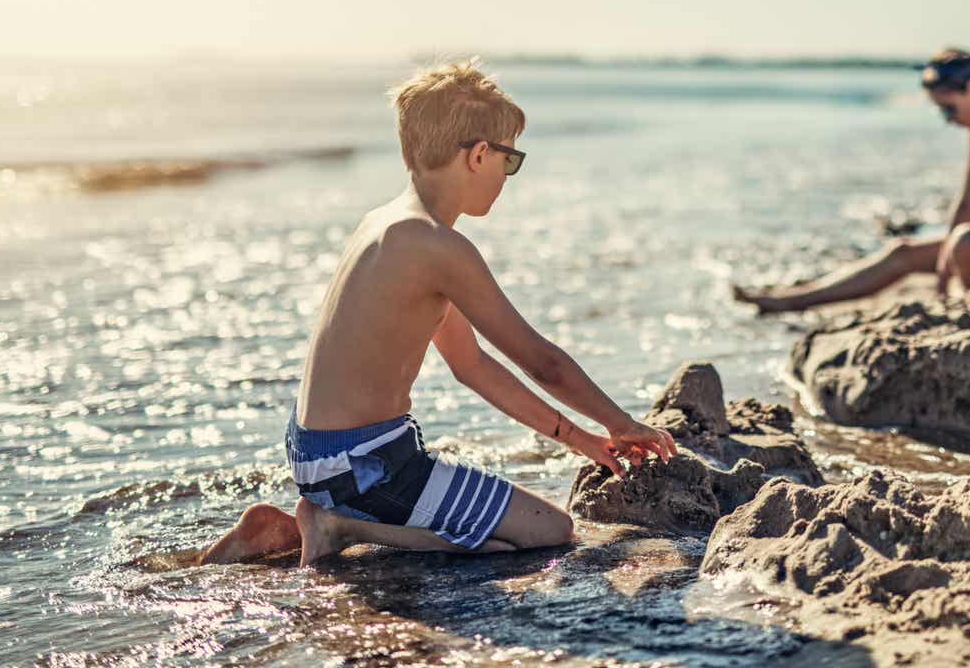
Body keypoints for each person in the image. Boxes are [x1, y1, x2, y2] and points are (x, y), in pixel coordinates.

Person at [201, 59, 676, 566]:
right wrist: (623, 424)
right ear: (477, 155)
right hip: (367, 465)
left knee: (498, 529)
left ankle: (304, 521)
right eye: (509, 161)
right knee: (550, 532)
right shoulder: (436, 246)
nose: (507, 176)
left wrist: (583, 440)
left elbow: (471, 366)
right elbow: (543, 363)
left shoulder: (384, 224)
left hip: (318, 455)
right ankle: (336, 524)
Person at [733, 49, 970, 314]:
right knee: (903, 252)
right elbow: (967, 202)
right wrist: (945, 270)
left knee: (964, 242)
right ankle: (790, 300)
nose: (947, 119)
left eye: (948, 108)